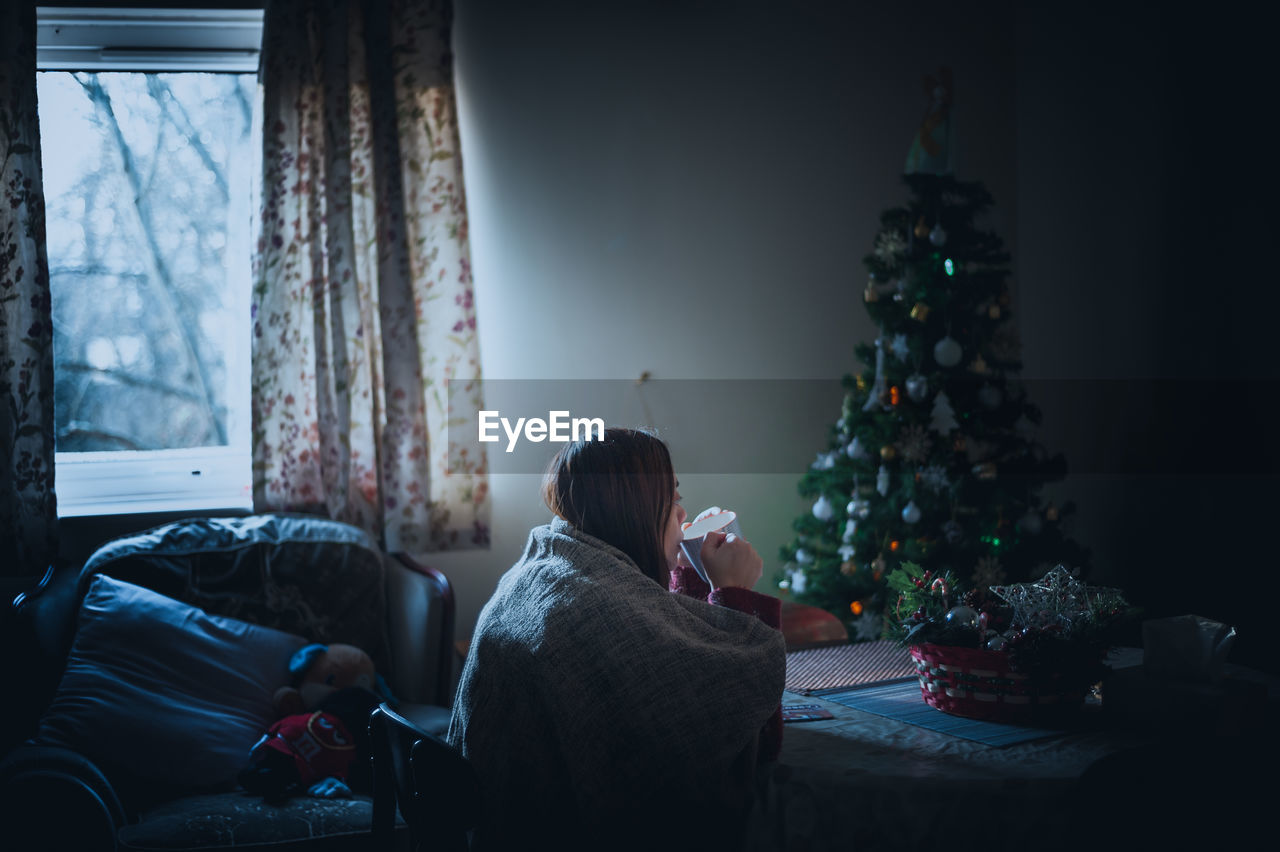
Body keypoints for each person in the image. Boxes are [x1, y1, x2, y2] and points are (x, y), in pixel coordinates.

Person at [447, 428, 786, 851]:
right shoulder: (589, 609)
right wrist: (735, 594)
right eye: (673, 499)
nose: (682, 514)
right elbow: (736, 719)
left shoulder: (551, 572)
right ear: (637, 509)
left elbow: (666, 646)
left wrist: (685, 575)